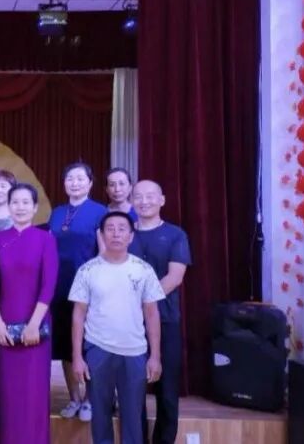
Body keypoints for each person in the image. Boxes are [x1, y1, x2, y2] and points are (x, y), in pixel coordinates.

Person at [70, 211, 165, 444]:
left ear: (131, 236)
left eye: (122, 229)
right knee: (100, 415)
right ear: (101, 235)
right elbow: (78, 315)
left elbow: (152, 314)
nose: (116, 234)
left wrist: (155, 356)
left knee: (133, 416)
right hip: (97, 349)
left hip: (135, 351)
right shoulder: (88, 270)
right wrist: (77, 357)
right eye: (110, 229)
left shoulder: (143, 270)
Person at [0, 183, 58, 444]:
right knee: (6, 392)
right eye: (15, 202)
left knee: (33, 391)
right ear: (8, 206)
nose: (20, 207)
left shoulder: (45, 239)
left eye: (26, 202)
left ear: (35, 207)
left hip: (36, 326)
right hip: (3, 326)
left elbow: (48, 285)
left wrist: (33, 324)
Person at [129, 180, 192, 444]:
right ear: (132, 201)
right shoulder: (124, 234)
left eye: (150, 196)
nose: (144, 201)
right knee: (133, 392)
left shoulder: (176, 235)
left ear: (162, 200)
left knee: (167, 391)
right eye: (138, 197)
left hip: (165, 320)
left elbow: (175, 277)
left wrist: (144, 302)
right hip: (129, 324)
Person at [48, 162, 107, 422]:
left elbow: (103, 253)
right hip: (59, 286)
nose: (75, 183)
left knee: (89, 345)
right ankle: (73, 398)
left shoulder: (100, 212)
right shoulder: (57, 212)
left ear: (90, 183)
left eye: (80, 178)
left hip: (88, 287)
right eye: (70, 178)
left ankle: (89, 400)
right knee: (65, 345)